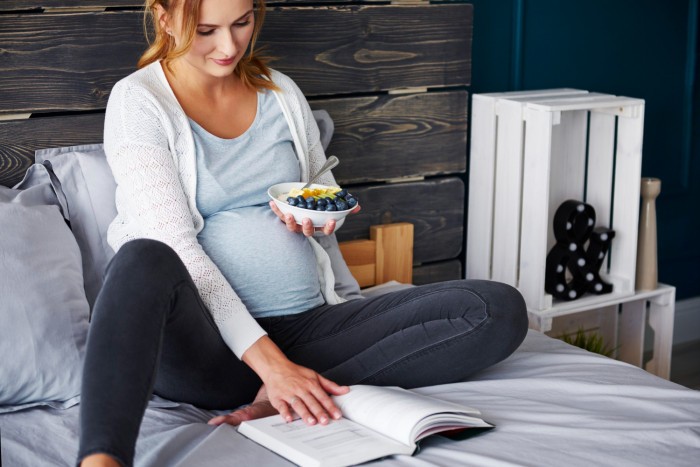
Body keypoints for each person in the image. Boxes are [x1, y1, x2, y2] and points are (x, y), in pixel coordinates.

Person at [78, 0, 529, 465]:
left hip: (309, 328)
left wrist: (322, 215)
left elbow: (321, 186)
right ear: (165, 17)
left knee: (494, 309)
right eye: (207, 29)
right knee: (143, 256)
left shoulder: (281, 93)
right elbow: (174, 244)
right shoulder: (140, 101)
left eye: (242, 23)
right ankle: (102, 459)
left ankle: (285, 389)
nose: (229, 46)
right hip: (206, 350)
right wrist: (271, 365)